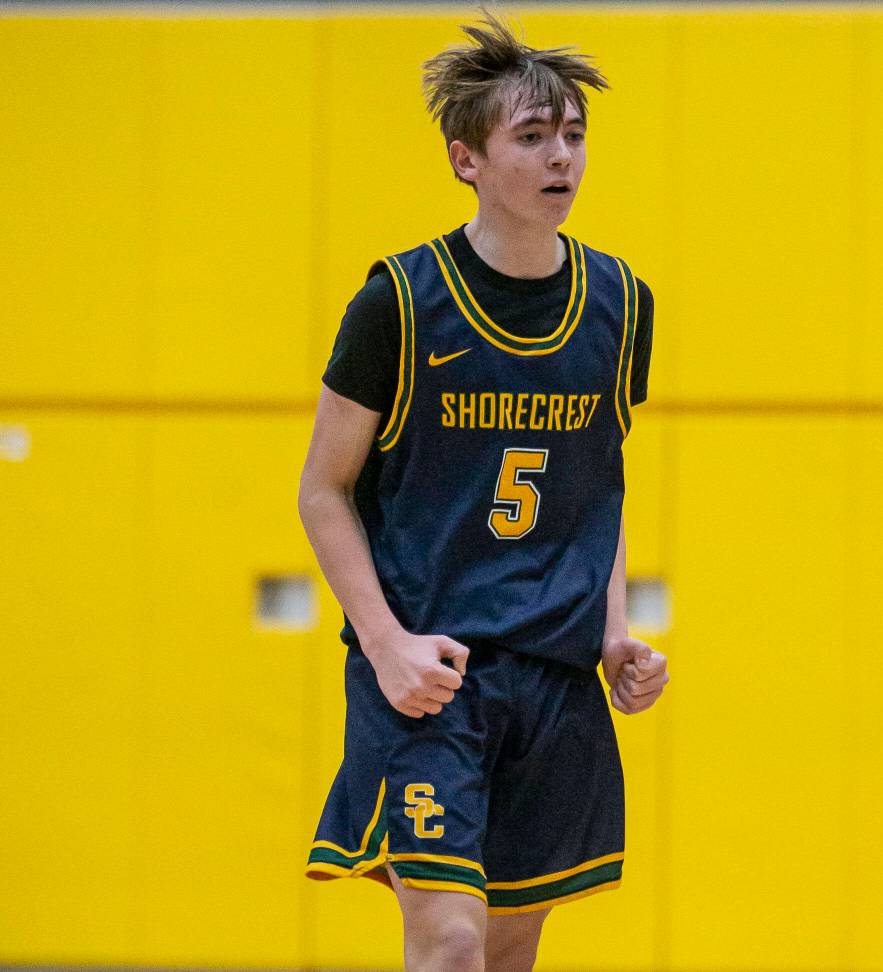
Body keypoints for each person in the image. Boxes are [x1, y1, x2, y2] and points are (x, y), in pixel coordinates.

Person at [297, 9, 669, 972]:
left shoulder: (621, 305)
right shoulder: (398, 301)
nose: (562, 157)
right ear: (466, 158)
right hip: (432, 676)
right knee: (452, 944)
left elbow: (598, 493)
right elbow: (323, 491)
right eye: (533, 136)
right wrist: (386, 645)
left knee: (506, 952)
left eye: (574, 134)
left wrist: (613, 634)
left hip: (553, 679)